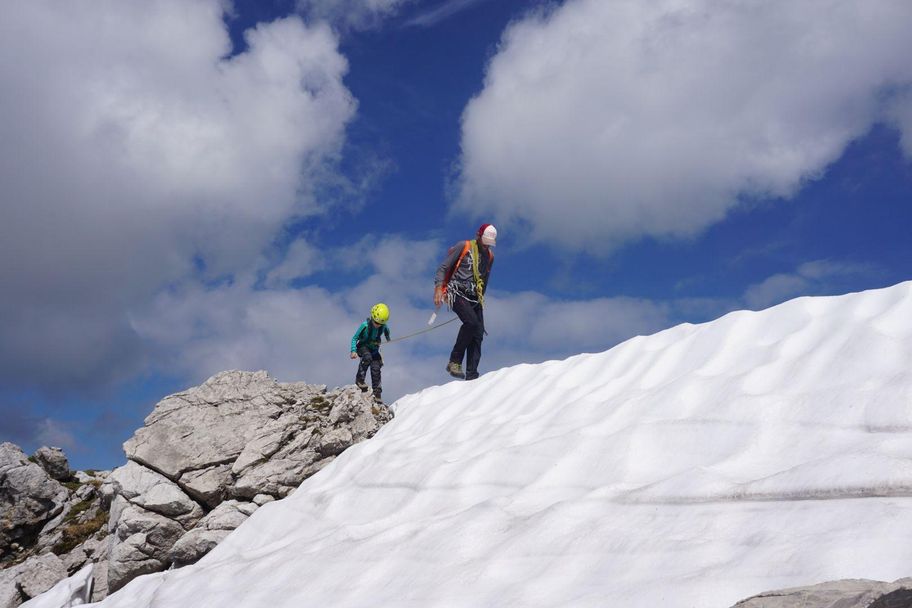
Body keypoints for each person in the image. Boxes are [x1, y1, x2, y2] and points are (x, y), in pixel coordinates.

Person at [434, 223, 496, 381]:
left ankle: (472, 375)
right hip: (457, 292)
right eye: (484, 242)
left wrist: (481, 299)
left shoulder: (489, 256)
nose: (486, 246)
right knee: (471, 323)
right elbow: (443, 267)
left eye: (489, 244)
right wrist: (439, 289)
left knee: (478, 333)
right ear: (478, 236)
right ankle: (454, 361)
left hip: (475, 296)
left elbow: (485, 279)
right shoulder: (464, 246)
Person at [350, 303, 391, 403]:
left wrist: (387, 338)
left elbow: (387, 330)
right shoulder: (365, 325)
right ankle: (360, 380)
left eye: (380, 324)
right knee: (367, 357)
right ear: (372, 317)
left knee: (376, 367)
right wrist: (353, 351)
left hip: (374, 349)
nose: (378, 325)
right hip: (363, 347)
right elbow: (354, 338)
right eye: (376, 322)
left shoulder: (383, 326)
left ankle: (377, 393)